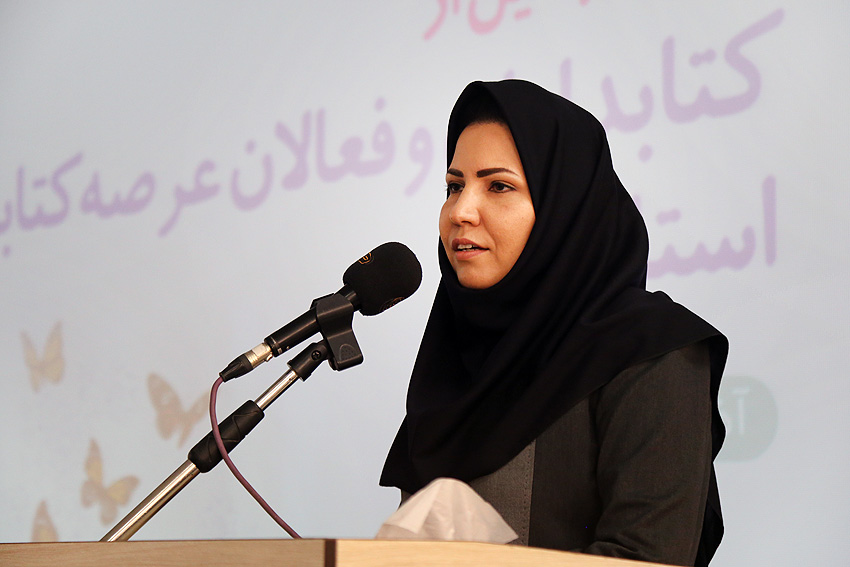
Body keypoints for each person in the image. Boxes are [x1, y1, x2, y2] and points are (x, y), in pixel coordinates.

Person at [380, 80, 728, 567]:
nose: (460, 211)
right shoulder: (453, 362)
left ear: (565, 205)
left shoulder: (650, 352)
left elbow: (647, 557)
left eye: (498, 186)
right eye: (454, 186)